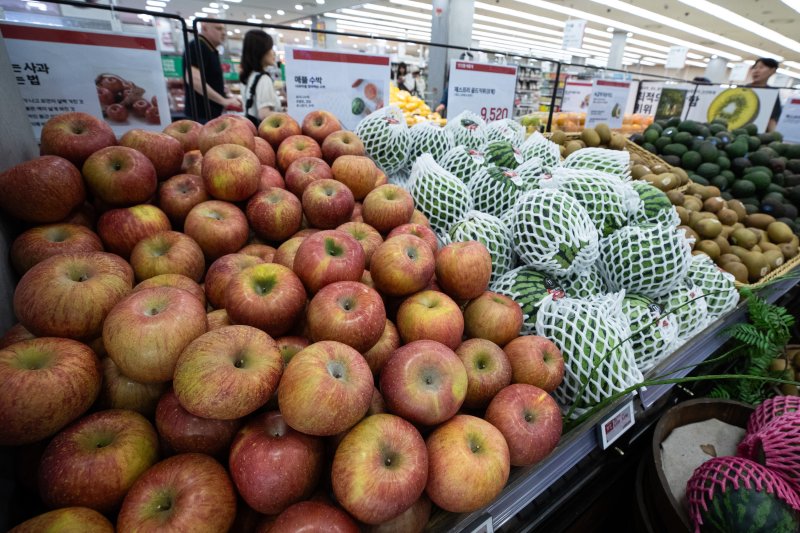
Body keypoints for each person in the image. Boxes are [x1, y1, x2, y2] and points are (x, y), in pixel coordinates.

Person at [184, 22, 240, 122]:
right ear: (204, 28)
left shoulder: (209, 49)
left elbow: (209, 79)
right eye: (218, 29)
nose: (223, 33)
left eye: (224, 29)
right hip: (201, 117)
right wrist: (224, 101)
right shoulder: (198, 46)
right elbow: (193, 79)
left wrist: (224, 92)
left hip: (209, 116)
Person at [239, 30, 281, 124]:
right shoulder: (263, 79)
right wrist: (287, 115)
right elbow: (264, 114)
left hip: (251, 126)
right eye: (270, 48)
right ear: (260, 52)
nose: (273, 52)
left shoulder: (248, 76)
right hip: (266, 130)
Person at [747, 57, 781, 132]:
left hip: (760, 134)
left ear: (772, 71)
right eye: (755, 68)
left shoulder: (772, 93)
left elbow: (772, 118)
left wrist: (774, 137)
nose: (756, 71)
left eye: (761, 67)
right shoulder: (742, 89)